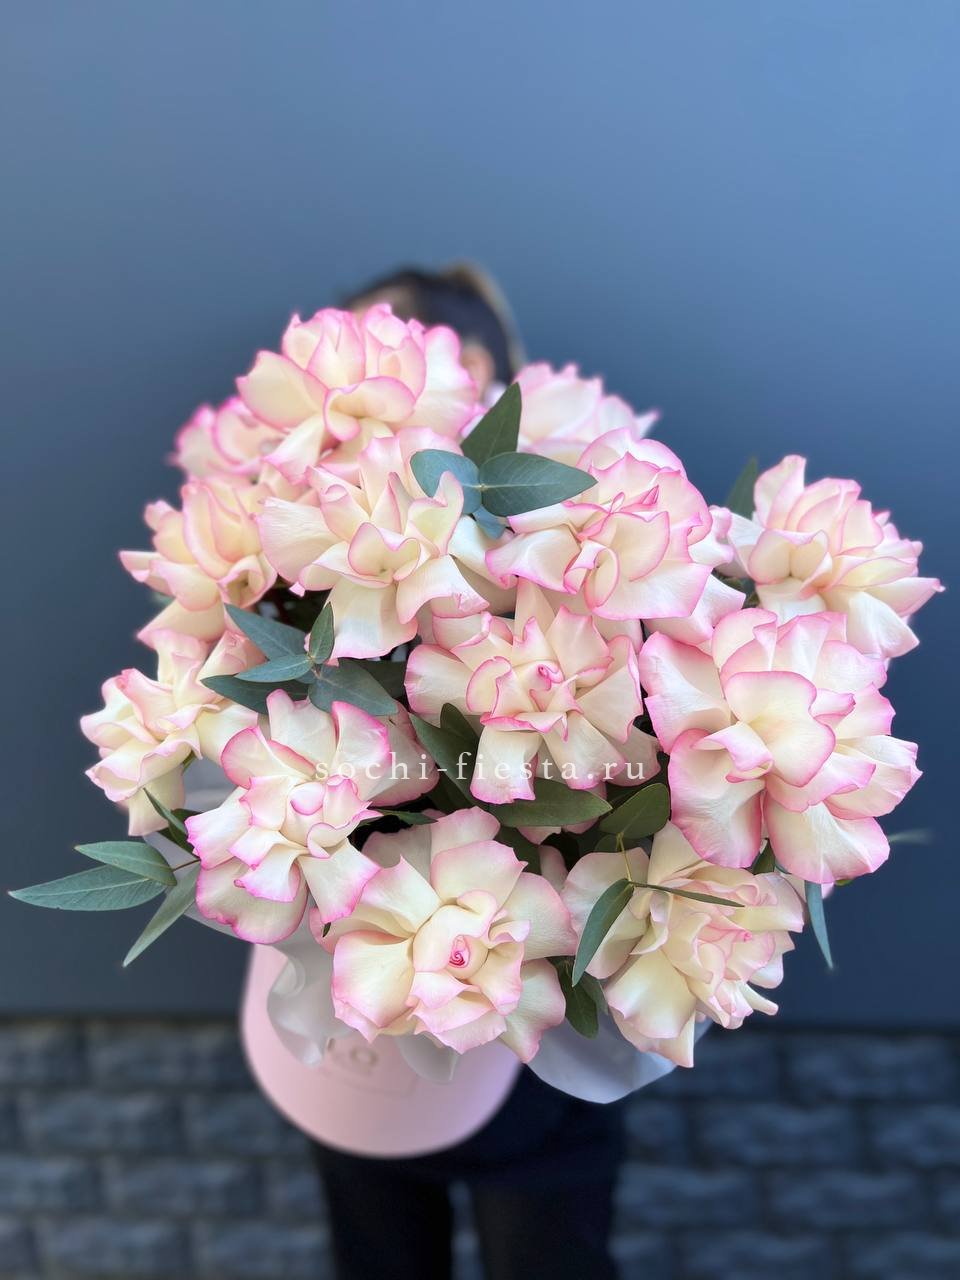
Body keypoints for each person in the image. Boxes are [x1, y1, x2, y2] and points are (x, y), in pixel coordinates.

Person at [309, 265, 626, 1280]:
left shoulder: (575, 501)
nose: (333, 395)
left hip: (522, 1042)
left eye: (367, 359)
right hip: (368, 1032)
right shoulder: (318, 520)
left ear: (471, 365)